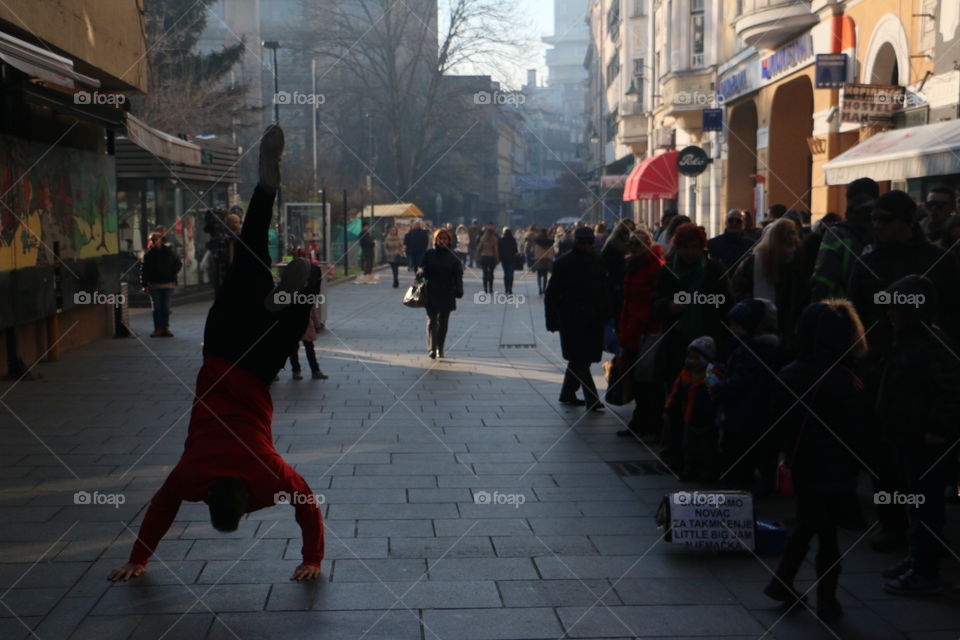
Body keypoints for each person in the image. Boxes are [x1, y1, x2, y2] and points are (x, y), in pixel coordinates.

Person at [109, 126, 324, 583]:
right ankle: (266, 192)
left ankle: (297, 292)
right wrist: (137, 558)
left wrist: (313, 559)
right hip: (221, 351)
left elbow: (307, 504)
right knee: (251, 250)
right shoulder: (192, 475)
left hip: (259, 367)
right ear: (208, 496)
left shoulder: (266, 476)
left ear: (246, 503)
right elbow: (160, 510)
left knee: (294, 319)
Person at [763, 299, 868, 622]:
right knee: (828, 537)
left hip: (802, 464)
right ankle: (827, 599)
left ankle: (782, 581)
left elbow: (776, 422)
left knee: (810, 524)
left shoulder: (789, 372)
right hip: (835, 467)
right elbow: (859, 430)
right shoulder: (846, 379)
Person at [873, 275, 960, 596]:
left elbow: (950, 391)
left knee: (927, 505)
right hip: (907, 436)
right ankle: (918, 557)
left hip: (925, 441)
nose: (889, 314)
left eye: (895, 307)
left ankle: (925, 569)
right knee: (916, 502)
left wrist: (937, 430)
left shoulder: (930, 345)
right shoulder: (908, 339)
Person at [651, 223, 732, 470]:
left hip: (708, 345)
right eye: (685, 247)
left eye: (694, 247)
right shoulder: (668, 272)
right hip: (677, 344)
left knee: (705, 400)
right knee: (675, 400)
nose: (689, 253)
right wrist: (668, 306)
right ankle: (673, 452)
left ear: (702, 247)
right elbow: (655, 303)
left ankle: (703, 456)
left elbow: (727, 303)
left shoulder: (713, 270)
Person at [709, 298, 786, 494]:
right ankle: (763, 485)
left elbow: (741, 381)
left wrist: (718, 387)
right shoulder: (758, 347)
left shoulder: (751, 350)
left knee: (737, 453)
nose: (732, 329)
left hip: (743, 414)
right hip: (758, 414)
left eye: (737, 325)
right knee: (762, 454)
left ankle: (739, 487)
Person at [545, 226, 610, 411]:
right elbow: (552, 294)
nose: (587, 245)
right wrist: (551, 319)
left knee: (582, 358)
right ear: (577, 242)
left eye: (590, 242)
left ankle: (567, 393)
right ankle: (592, 399)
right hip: (571, 318)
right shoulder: (564, 263)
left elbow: (604, 291)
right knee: (579, 358)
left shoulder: (598, 261)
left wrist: (607, 314)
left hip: (592, 318)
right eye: (584, 242)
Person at [616, 229, 665, 439]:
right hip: (631, 328)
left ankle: (650, 423)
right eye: (631, 244)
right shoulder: (631, 265)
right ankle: (639, 421)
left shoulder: (655, 265)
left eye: (638, 244)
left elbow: (656, 297)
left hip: (647, 328)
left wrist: (646, 321)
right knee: (636, 378)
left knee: (648, 381)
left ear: (647, 244)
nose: (633, 248)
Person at [732, 218, 804, 344]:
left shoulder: (800, 261)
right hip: (759, 326)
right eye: (785, 233)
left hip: (791, 322)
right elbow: (739, 288)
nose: (790, 237)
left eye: (793, 233)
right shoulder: (754, 262)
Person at [809, 177, 878, 302]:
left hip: (846, 310)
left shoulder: (838, 233)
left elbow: (823, 278)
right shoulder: (886, 230)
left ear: (849, 201)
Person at [664, 336, 719, 481]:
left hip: (709, 419)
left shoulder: (713, 375)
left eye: (697, 358)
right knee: (689, 447)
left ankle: (708, 471)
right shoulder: (685, 375)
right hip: (689, 418)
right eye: (690, 357)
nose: (692, 361)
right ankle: (690, 469)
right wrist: (669, 409)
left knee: (708, 448)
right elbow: (675, 393)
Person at [421, 228, 464, 358]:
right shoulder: (429, 254)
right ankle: (432, 348)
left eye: (445, 238)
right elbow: (421, 268)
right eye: (440, 238)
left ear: (449, 240)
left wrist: (459, 289)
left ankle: (440, 347)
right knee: (432, 320)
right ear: (435, 240)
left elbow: (458, 274)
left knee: (443, 322)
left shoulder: (453, 256)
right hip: (431, 291)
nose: (442, 241)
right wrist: (420, 273)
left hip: (447, 292)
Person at [140, 230, 182, 338]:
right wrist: (144, 284)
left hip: (168, 284)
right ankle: (158, 329)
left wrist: (172, 274)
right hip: (154, 285)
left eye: (157, 239)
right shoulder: (149, 254)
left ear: (161, 240)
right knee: (157, 308)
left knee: (166, 308)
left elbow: (178, 263)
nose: (156, 241)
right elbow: (144, 270)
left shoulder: (168, 252)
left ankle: (165, 328)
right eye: (153, 240)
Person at [601, 221, 631, 324]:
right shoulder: (613, 244)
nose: (629, 234)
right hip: (615, 286)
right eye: (627, 231)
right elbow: (610, 266)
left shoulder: (628, 244)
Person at [288, 301, 328, 380]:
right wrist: (317, 324)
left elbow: (313, 310)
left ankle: (299, 371)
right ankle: (312, 371)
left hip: (304, 326)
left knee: (302, 349)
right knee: (298, 349)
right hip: (295, 325)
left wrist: (317, 324)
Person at [476, 227, 500, 294]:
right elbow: (496, 250)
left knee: (485, 273)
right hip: (491, 257)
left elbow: (479, 248)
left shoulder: (483, 239)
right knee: (491, 273)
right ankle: (491, 288)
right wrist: (497, 259)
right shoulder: (494, 239)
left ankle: (485, 288)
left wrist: (477, 257)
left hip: (484, 257)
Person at [531, 228, 556, 295]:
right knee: (545, 275)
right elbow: (552, 251)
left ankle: (540, 288)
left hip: (539, 259)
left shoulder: (536, 241)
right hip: (547, 260)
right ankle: (544, 289)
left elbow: (533, 250)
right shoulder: (550, 242)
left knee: (539, 275)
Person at [499, 227, 519, 295]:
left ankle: (506, 288)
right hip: (512, 259)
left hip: (504, 259)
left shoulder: (501, 240)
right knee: (511, 274)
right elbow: (516, 250)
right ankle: (510, 287)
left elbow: (499, 249)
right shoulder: (513, 240)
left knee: (505, 274)